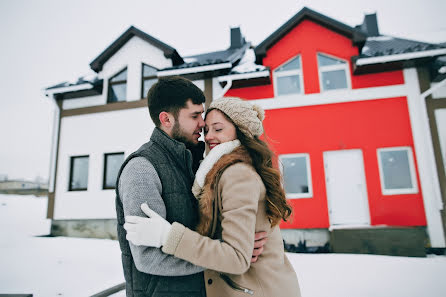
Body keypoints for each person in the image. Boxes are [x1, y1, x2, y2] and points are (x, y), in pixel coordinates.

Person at [124, 97, 302, 297]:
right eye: (206, 130)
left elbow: (235, 258)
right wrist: (233, 247)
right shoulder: (218, 172)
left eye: (218, 129)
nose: (208, 136)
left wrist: (167, 236)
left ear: (241, 131)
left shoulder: (237, 174)